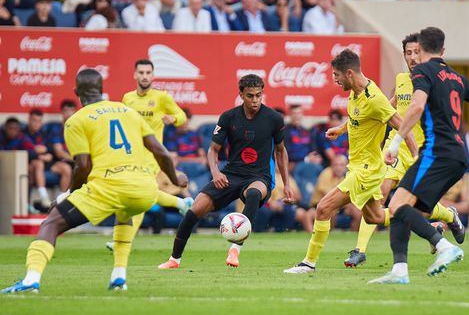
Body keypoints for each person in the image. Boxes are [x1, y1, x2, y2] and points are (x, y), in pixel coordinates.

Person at [1, 68, 187, 293]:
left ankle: (31, 279)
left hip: (108, 187)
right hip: (144, 189)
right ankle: (119, 276)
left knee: (51, 223)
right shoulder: (128, 111)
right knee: (125, 213)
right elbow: (161, 151)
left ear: (76, 91)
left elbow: (83, 165)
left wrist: (67, 194)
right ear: (102, 90)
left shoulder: (76, 120)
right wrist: (175, 177)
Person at [369, 27, 469, 284]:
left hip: (436, 153)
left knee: (396, 205)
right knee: (401, 208)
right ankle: (399, 270)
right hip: (457, 157)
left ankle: (444, 247)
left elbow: (416, 105)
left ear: (421, 49)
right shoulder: (456, 77)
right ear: (443, 50)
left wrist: (395, 142)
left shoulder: (422, 72)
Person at [283, 49, 418, 274]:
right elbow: (359, 118)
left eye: (336, 75)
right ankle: (428, 225)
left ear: (349, 73)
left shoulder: (375, 98)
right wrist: (340, 128)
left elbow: (400, 123)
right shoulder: (355, 93)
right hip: (358, 167)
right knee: (375, 216)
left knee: (323, 208)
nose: (334, 79)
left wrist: (414, 157)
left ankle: (309, 263)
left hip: (366, 170)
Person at [345, 33, 464, 268]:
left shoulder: (434, 80)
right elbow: (387, 107)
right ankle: (360, 249)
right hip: (396, 149)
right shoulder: (401, 79)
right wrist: (342, 127)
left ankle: (447, 217)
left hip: (422, 151)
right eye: (407, 53)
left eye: (415, 52)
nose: (412, 57)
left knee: (415, 207)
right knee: (378, 193)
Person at [157, 74, 294, 269]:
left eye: (258, 95)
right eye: (250, 96)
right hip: (230, 174)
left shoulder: (274, 118)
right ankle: (174, 259)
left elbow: (281, 151)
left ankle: (235, 250)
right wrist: (215, 172)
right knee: (194, 210)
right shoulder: (229, 117)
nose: (255, 100)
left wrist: (287, 184)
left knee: (254, 194)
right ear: (241, 95)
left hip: (259, 176)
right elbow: (213, 150)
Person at [106, 59, 192, 250]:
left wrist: (173, 118)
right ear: (135, 75)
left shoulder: (161, 97)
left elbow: (182, 117)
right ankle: (181, 202)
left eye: (148, 73)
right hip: (131, 154)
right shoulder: (128, 98)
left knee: (138, 193)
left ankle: (122, 241)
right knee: (139, 195)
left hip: (153, 155)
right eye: (141, 73)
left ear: (153, 76)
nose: (144, 76)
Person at [309, 154, 361, 233]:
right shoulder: (326, 174)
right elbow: (328, 196)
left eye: (341, 165)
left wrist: (349, 205)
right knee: (332, 209)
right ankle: (328, 234)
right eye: (336, 165)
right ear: (331, 165)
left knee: (357, 211)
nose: (338, 168)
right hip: (320, 205)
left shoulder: (348, 175)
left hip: (339, 204)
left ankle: (354, 235)